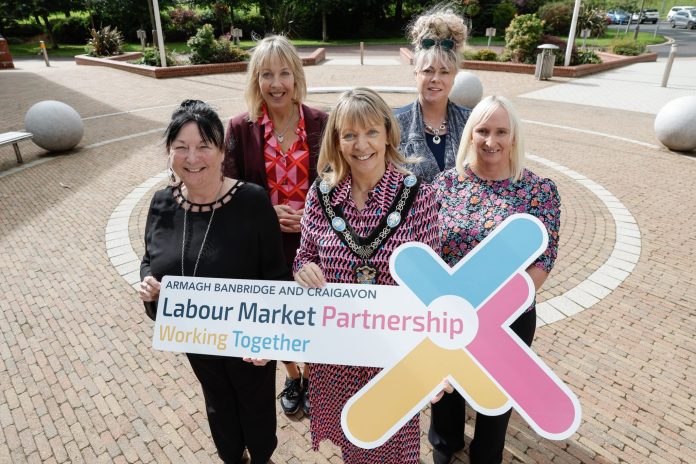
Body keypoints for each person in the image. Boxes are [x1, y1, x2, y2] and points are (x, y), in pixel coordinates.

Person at [293, 87, 440, 463]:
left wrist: (434, 358)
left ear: (388, 134)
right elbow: (305, 255)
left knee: (398, 447)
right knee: (353, 444)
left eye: (372, 132)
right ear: (337, 141)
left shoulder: (416, 196)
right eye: (350, 134)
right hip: (338, 355)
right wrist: (304, 269)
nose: (362, 145)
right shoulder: (321, 195)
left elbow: (433, 285)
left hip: (393, 356)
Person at [139, 100, 288, 464]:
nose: (193, 157)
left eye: (204, 145)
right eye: (181, 147)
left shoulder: (251, 201)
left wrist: (269, 341)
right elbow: (151, 259)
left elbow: (277, 275)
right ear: (168, 152)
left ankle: (262, 456)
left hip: (251, 344)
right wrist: (149, 286)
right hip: (198, 341)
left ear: (222, 151)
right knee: (218, 406)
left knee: (255, 411)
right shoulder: (162, 204)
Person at [430, 95, 561, 464]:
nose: (491, 140)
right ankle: (445, 443)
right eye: (483, 130)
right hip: (453, 312)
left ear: (514, 136)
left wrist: (497, 312)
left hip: (510, 317)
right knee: (447, 389)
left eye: (501, 131)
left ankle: (486, 455)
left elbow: (544, 260)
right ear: (469, 134)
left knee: (496, 396)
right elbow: (431, 250)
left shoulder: (539, 191)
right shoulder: (444, 186)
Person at [224, 35, 328, 416]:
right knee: (276, 318)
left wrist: (314, 213)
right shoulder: (240, 128)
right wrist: (267, 213)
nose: (276, 83)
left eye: (284, 73)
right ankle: (292, 374)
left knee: (313, 317)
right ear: (256, 79)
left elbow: (340, 183)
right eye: (267, 74)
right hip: (263, 248)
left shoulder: (321, 124)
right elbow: (229, 191)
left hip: (316, 246)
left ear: (297, 76)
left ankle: (315, 375)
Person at [395, 6, 470, 183]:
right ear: (416, 74)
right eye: (428, 71)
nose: (435, 79)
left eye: (444, 72)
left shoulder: (470, 122)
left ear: (454, 76)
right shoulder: (393, 123)